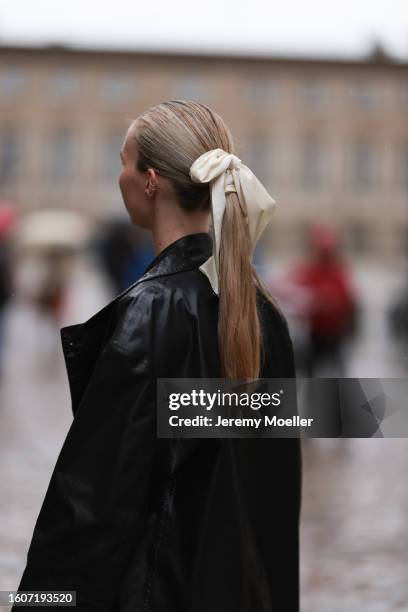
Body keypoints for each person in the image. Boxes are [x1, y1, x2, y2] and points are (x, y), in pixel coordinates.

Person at [14, 100, 302, 611]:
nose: (118, 176)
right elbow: (274, 493)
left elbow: (94, 505)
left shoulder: (150, 312)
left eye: (122, 162)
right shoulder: (265, 312)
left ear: (150, 180)